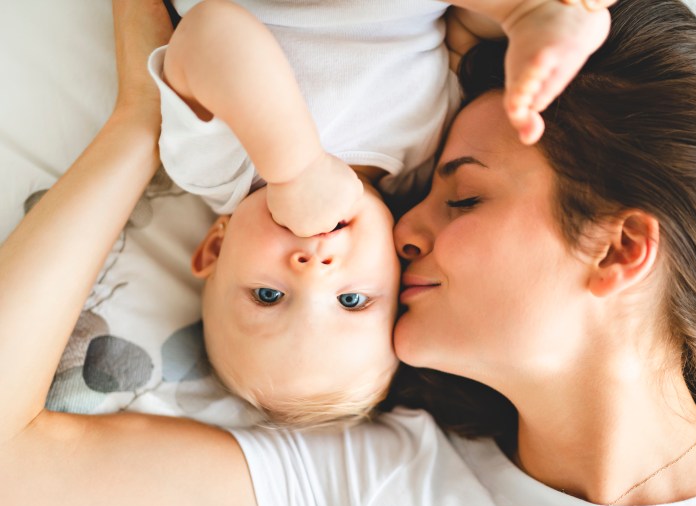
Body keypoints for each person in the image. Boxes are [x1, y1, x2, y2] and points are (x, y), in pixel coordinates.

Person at [1, 0, 696, 506]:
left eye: (464, 199)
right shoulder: (370, 492)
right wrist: (139, 124)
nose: (401, 227)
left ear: (620, 249)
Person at [149, 0, 614, 426]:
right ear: (398, 271)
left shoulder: (216, 169)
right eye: (351, 301)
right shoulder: (424, 162)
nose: (313, 272)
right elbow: (454, 36)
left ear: (215, 247)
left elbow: (207, 31)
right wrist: (512, 24)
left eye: (269, 296)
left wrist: (296, 169)